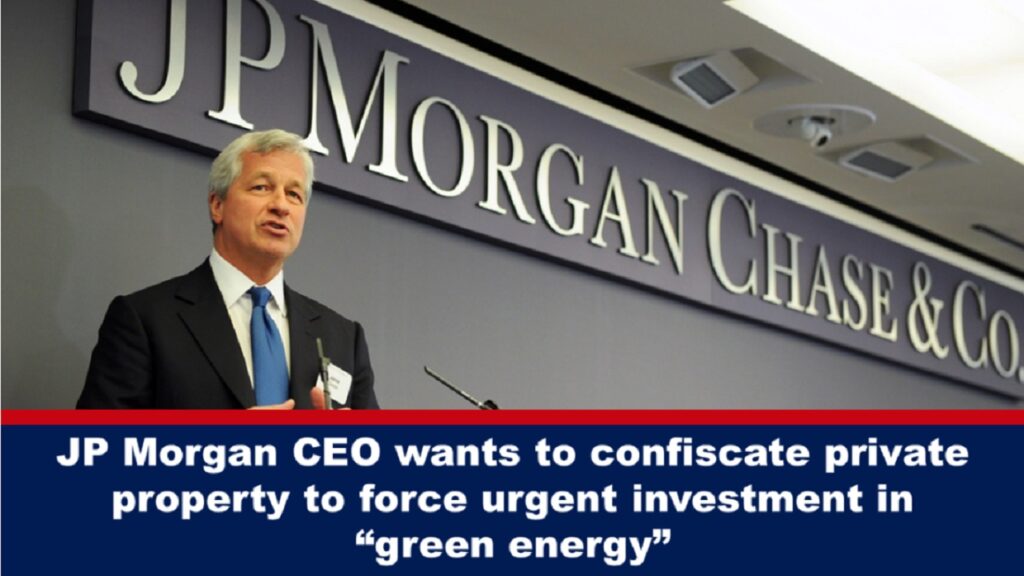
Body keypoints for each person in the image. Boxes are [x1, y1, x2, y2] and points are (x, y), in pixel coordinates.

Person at [77, 129, 378, 409]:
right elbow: (96, 443)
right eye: (262, 187)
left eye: (294, 194)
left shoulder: (343, 338)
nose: (281, 206)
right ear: (217, 205)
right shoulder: (145, 320)